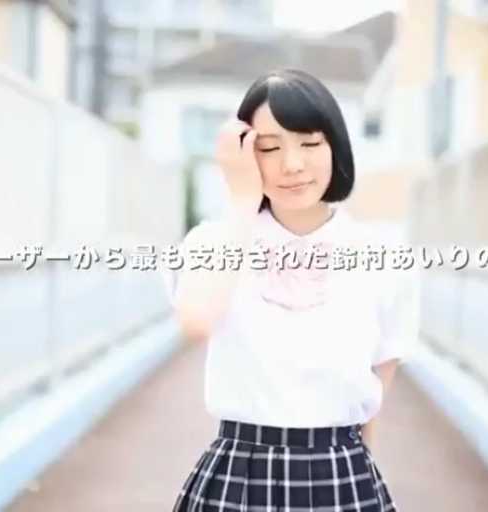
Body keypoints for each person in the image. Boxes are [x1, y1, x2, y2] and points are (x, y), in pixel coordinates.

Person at [161, 68, 420, 511]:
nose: (292, 164)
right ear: (245, 154)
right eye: (269, 147)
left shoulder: (384, 257)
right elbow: (196, 320)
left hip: (341, 470)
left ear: (336, 145)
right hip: (238, 470)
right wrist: (243, 201)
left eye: (310, 143)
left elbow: (376, 395)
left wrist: (356, 479)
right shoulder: (215, 241)